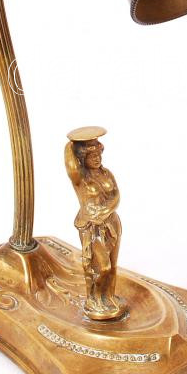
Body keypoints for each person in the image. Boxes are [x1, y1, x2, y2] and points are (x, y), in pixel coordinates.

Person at [64, 126, 127, 321]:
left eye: (99, 154)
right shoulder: (80, 178)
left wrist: (105, 210)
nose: (97, 159)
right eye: (92, 156)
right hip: (92, 226)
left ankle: (109, 298)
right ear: (83, 158)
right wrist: (74, 143)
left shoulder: (106, 173)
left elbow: (116, 195)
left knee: (112, 265)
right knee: (101, 267)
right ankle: (95, 300)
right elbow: (70, 165)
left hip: (111, 223)